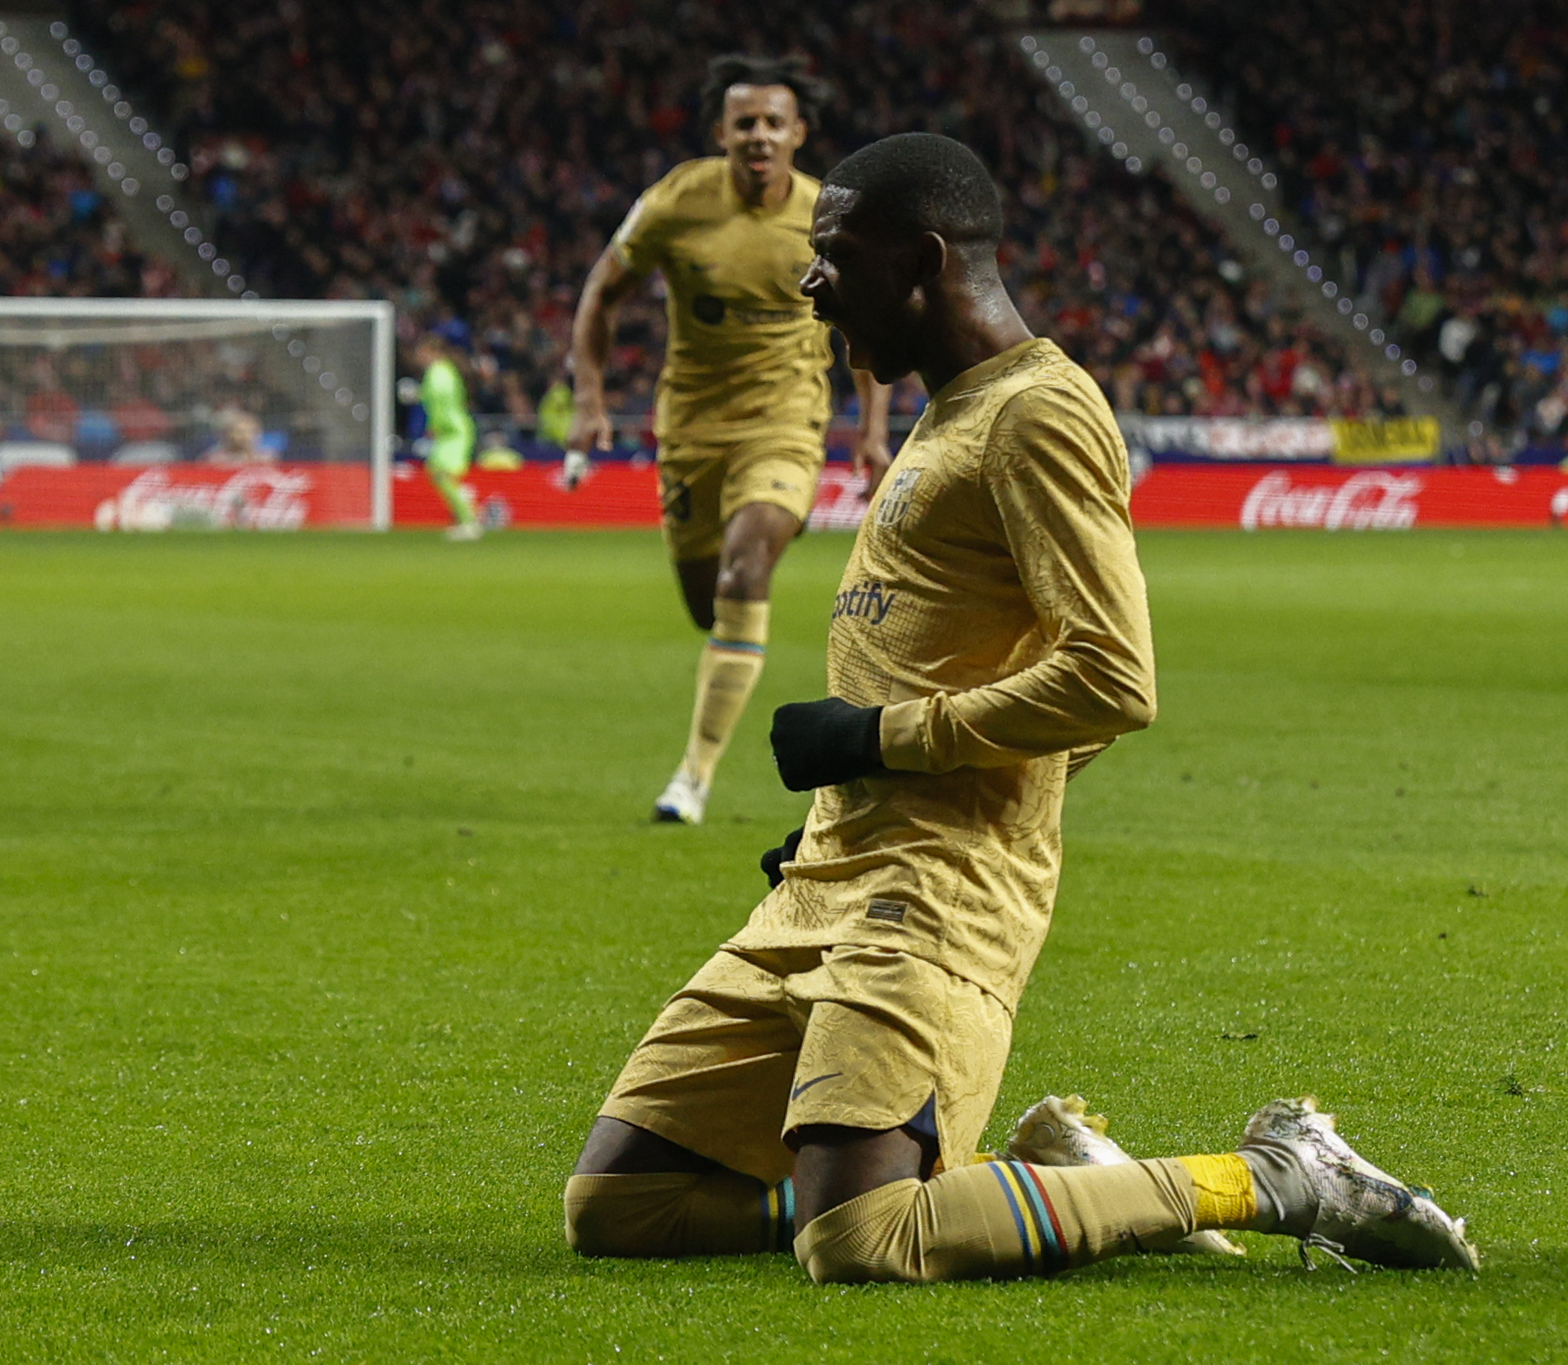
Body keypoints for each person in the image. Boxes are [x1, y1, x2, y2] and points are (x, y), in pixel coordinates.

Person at [563, 134, 1477, 1284]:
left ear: (923, 263)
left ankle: (1277, 1176)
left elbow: (1111, 677)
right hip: (825, 879)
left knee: (854, 1241)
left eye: (832, 256)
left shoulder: (1036, 414)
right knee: (618, 1203)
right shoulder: (945, 411)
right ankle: (1040, 1184)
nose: (808, 286)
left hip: (935, 896)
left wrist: (877, 739)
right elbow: (1022, 682)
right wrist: (849, 798)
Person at [564, 54, 894, 825]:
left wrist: (873, 432)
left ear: (797, 133)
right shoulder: (675, 201)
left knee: (747, 573)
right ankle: (720, 664)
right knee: (705, 600)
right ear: (721, 132)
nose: (758, 135)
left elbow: (870, 321)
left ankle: (693, 777)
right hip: (691, 429)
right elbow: (601, 291)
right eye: (744, 122)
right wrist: (588, 397)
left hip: (785, 423)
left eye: (773, 123)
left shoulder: (828, 216)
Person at [413, 333, 484, 542]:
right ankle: (464, 519)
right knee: (439, 473)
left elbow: (441, 402)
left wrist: (434, 425)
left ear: (430, 352)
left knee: (441, 473)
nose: (418, 357)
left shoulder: (438, 373)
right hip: (453, 429)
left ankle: (470, 520)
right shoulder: (444, 371)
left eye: (421, 352)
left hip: (453, 431)